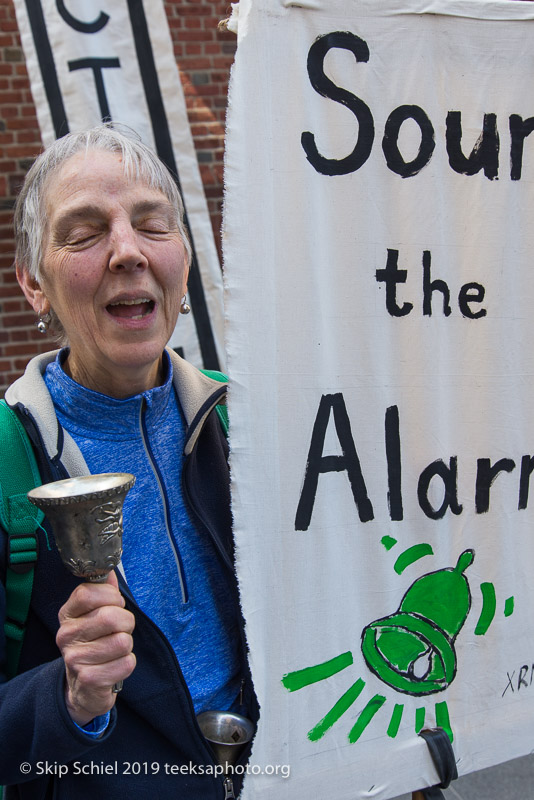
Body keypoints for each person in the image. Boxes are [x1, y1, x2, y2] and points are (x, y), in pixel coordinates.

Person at [0, 124, 258, 799]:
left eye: (153, 225)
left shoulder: (255, 426)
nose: (127, 251)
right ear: (33, 281)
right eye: (84, 233)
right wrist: (67, 699)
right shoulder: (8, 458)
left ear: (186, 258)